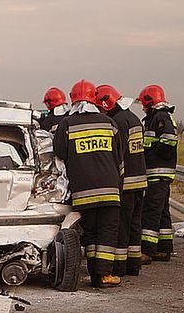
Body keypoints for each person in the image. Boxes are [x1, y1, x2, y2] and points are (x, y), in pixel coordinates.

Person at [53, 79, 125, 288]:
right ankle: (103, 275)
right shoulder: (109, 123)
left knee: (91, 233)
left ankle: (95, 273)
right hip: (110, 189)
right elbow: (120, 158)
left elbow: (59, 153)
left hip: (83, 192)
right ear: (95, 99)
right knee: (108, 232)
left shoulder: (66, 124)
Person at [96, 84, 147, 277]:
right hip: (140, 180)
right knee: (135, 224)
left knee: (121, 226)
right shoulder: (133, 119)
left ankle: (119, 266)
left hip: (126, 182)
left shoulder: (117, 122)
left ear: (106, 103)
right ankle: (133, 265)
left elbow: (118, 155)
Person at [139, 84, 177, 262]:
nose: (142, 107)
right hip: (160, 172)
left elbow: (168, 140)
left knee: (151, 211)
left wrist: (153, 156)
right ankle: (164, 248)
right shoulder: (157, 117)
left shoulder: (160, 117)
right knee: (162, 211)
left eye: (143, 103)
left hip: (157, 172)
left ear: (149, 101)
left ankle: (147, 250)